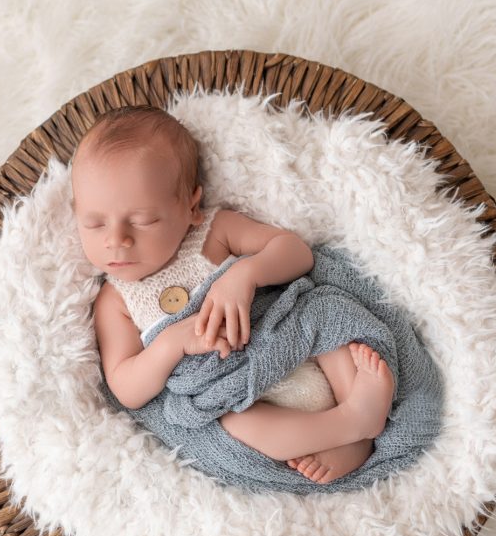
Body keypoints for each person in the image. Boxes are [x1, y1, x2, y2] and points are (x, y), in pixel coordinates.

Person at [70, 105, 395, 484]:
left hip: (287, 340)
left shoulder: (215, 231)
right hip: (233, 394)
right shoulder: (117, 300)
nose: (116, 240)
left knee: (328, 322)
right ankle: (350, 423)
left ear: (191, 207)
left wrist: (246, 273)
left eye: (143, 220)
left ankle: (354, 427)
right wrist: (171, 343)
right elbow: (126, 387)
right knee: (239, 425)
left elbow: (296, 253)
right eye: (93, 224)